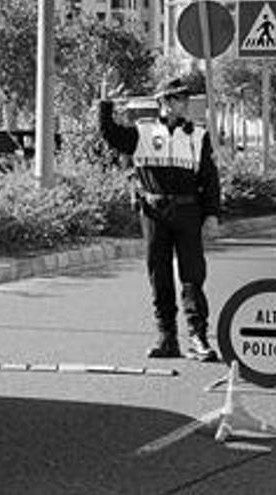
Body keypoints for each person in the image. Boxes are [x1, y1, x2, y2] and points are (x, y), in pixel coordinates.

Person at [99, 76, 221, 362]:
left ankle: (198, 337)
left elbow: (210, 180)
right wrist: (104, 104)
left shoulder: (197, 135)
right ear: (164, 102)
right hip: (154, 213)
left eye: (186, 99)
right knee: (160, 276)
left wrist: (212, 214)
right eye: (179, 99)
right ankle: (167, 338)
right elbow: (109, 134)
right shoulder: (143, 132)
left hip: (188, 212)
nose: (185, 104)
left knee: (192, 276)